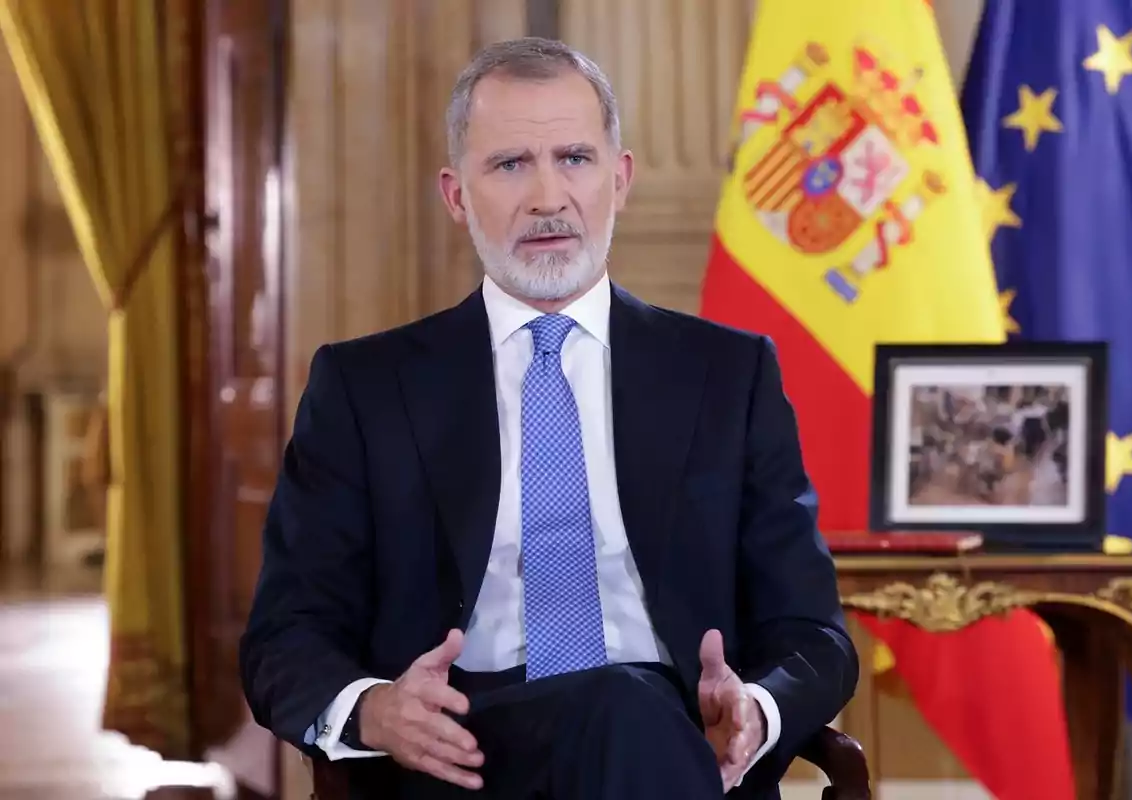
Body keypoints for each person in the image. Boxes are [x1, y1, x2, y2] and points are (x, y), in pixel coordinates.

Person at [239, 36, 857, 800]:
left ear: (620, 178)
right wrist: (375, 709)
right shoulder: (365, 387)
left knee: (627, 708)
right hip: (459, 753)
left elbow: (815, 635)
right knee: (621, 709)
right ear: (455, 194)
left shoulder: (728, 376)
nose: (547, 198)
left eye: (574, 158)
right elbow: (282, 637)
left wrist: (757, 712)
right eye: (508, 166)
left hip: (668, 736)